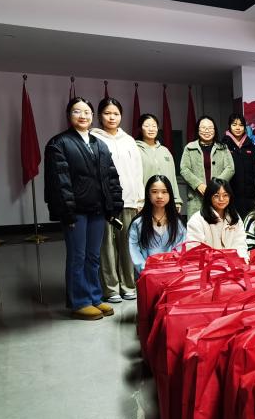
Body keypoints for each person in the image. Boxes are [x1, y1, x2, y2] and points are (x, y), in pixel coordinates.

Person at [44, 97, 123, 321]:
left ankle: (94, 297)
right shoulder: (59, 143)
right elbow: (60, 182)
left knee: (93, 256)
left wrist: (114, 205)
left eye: (87, 112)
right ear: (69, 116)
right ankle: (79, 302)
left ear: (92, 116)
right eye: (77, 111)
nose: (83, 116)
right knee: (77, 256)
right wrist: (66, 212)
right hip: (75, 211)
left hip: (98, 209)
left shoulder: (99, 144)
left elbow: (111, 177)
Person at [90, 97, 143, 303]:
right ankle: (110, 288)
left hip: (128, 200)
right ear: (99, 116)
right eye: (107, 113)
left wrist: (140, 199)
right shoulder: (93, 138)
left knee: (127, 245)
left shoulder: (129, 140)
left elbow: (137, 171)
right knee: (106, 247)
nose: (112, 117)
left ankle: (128, 285)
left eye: (116, 114)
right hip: (104, 202)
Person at [128, 175, 185, 276]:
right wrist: (146, 271)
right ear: (148, 194)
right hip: (147, 276)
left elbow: (181, 250)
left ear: (170, 194)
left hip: (172, 276)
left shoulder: (178, 223)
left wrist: (170, 270)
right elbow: (134, 252)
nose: (159, 196)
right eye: (154, 192)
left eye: (164, 192)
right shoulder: (138, 223)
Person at [181, 115, 235, 220]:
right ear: (198, 130)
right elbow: (184, 169)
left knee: (218, 224)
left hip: (219, 196)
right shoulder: (189, 148)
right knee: (197, 227)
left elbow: (230, 168)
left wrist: (216, 186)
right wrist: (198, 185)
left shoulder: (223, 148)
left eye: (210, 128)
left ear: (215, 130)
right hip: (197, 198)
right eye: (203, 128)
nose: (207, 131)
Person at [185, 177, 249, 262]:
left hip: (233, 266)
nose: (221, 199)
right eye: (216, 196)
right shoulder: (197, 220)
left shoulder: (235, 217)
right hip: (207, 266)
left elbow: (240, 245)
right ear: (209, 197)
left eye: (225, 195)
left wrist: (242, 261)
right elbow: (195, 251)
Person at [135, 113, 182, 212]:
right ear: (140, 129)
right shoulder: (135, 149)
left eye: (154, 126)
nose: (151, 129)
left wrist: (177, 200)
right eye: (147, 126)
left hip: (166, 201)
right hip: (145, 202)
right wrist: (139, 201)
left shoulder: (165, 151)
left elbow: (172, 177)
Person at [223, 112, 255, 217]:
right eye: (234, 125)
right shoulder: (223, 144)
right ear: (229, 126)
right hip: (230, 195)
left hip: (250, 196)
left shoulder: (250, 145)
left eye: (241, 125)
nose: (238, 128)